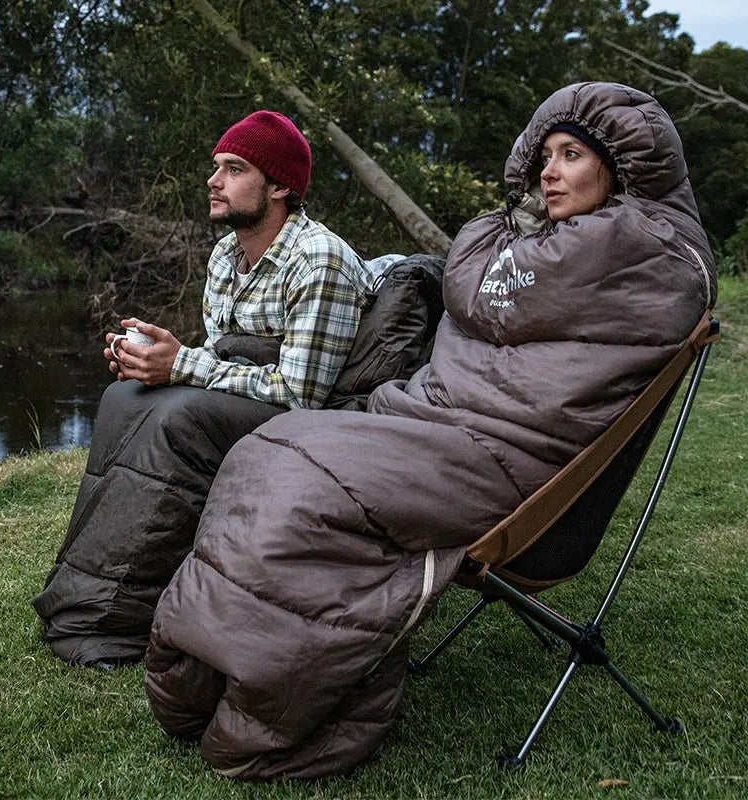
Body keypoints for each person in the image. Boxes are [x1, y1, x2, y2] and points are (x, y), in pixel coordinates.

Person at [143, 82, 717, 779]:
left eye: (572, 155)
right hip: (438, 426)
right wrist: (524, 220)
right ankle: (205, 680)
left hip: (514, 469)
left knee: (299, 475)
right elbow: (489, 296)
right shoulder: (541, 245)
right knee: (266, 451)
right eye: (544, 157)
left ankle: (274, 715)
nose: (549, 171)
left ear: (621, 168)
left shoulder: (652, 256)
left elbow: (554, 341)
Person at [32, 110, 377, 667]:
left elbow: (300, 394)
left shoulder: (320, 260)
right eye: (216, 167)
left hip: (313, 422)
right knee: (123, 398)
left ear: (280, 186)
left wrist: (183, 366)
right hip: (252, 400)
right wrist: (153, 360)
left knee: (179, 419)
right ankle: (82, 590)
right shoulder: (224, 255)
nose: (214, 181)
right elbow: (220, 356)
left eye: (234, 169)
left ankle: (118, 618)